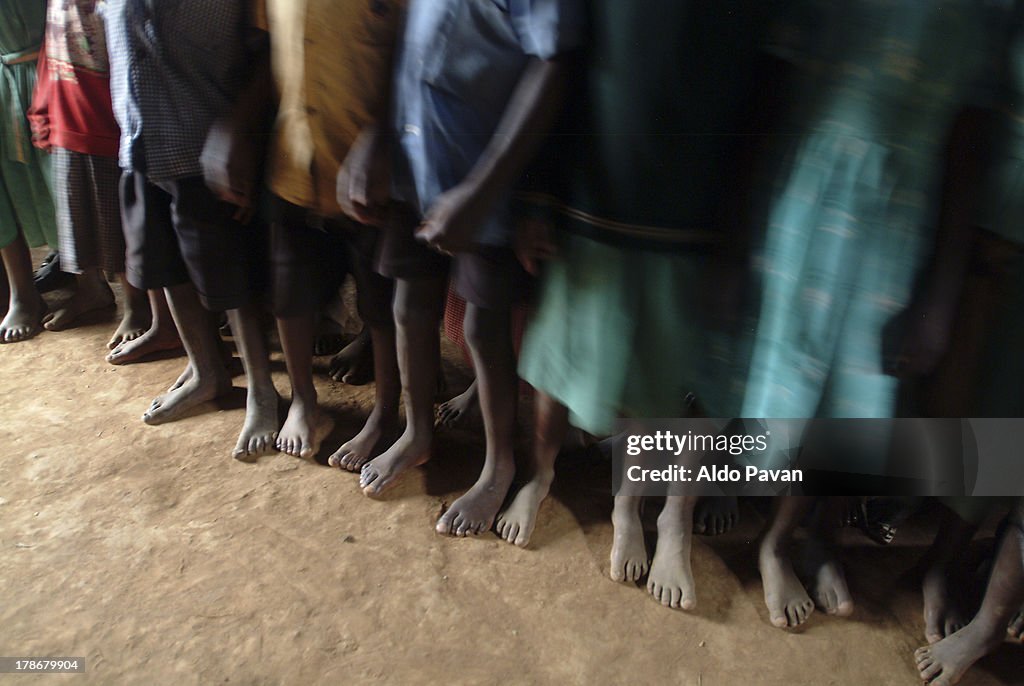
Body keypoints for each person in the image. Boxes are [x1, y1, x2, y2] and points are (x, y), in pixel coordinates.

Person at [738, 0, 994, 629]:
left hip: (899, 215)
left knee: (859, 395)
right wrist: (737, 228)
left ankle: (815, 535)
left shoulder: (986, 15)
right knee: (793, 381)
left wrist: (939, 293)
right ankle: (774, 538)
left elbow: (967, 142)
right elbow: (775, 80)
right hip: (812, 189)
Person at [511, 0, 779, 570]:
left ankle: (631, 508)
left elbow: (761, 103)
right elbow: (563, 67)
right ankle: (541, 476)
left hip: (689, 217)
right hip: (592, 196)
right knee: (558, 369)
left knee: (654, 388)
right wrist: (537, 198)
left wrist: (733, 245)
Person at [339, 0, 585, 543]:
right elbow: (401, 29)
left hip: (483, 177)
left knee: (484, 328)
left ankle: (499, 465)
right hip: (413, 159)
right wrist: (375, 133)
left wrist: (483, 189)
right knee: (409, 304)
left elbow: (553, 63)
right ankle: (417, 431)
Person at [102, 0, 278, 461]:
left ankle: (262, 388)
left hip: (205, 142)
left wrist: (241, 133)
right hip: (140, 139)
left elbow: (269, 53)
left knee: (229, 275)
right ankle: (206, 370)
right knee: (166, 266)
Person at [245, 0, 403, 460]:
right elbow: (270, 47)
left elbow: (410, 53)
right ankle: (303, 400)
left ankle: (386, 408)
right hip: (295, 160)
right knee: (289, 292)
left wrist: (380, 134)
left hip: (369, 169)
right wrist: (240, 125)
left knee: (381, 301)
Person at [27, 0, 151, 350]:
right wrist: (41, 109)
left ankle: (136, 304)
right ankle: (91, 289)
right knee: (76, 218)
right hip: (66, 117)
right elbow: (50, 50)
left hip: (106, 123)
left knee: (116, 224)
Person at [0, 0, 57, 344]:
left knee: (61, 179)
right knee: (4, 195)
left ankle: (89, 281)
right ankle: (22, 292)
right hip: (5, 67)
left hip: (44, 66)